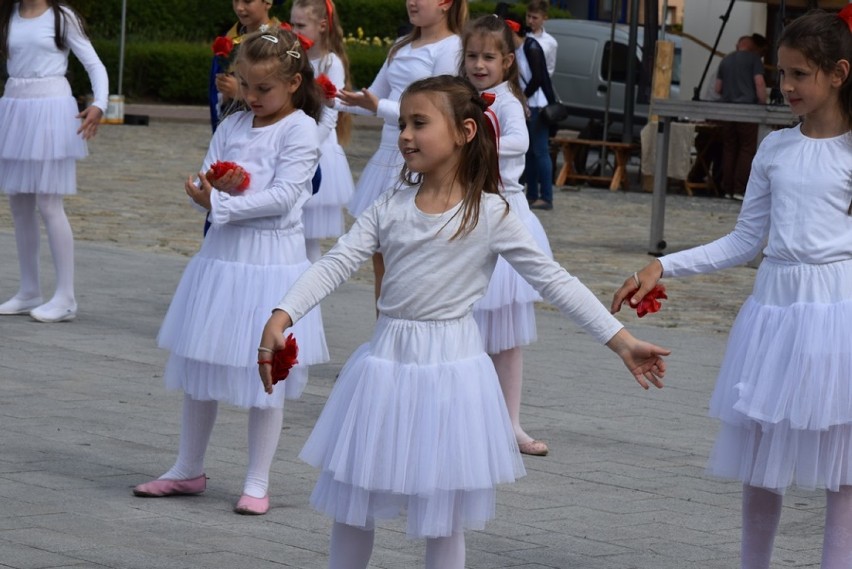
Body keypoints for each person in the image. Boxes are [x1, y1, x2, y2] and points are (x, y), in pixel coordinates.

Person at [259, 75, 669, 569]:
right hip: (384, 366)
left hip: (452, 373)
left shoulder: (490, 213)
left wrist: (621, 340)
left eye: (419, 123)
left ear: (464, 131)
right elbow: (335, 263)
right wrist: (283, 314)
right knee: (353, 501)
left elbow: (554, 281)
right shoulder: (389, 206)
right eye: (403, 123)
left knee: (444, 517)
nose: (405, 135)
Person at [613, 9, 852, 568]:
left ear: (839, 73)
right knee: (760, 459)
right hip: (775, 309)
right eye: (782, 73)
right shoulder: (774, 149)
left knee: (844, 467)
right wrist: (661, 267)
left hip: (839, 310)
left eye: (799, 75)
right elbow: (745, 240)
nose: (786, 86)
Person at [133, 27, 329, 516]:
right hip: (222, 261)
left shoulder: (301, 129)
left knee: (267, 373)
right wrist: (207, 189)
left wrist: (221, 203)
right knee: (203, 362)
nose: (252, 96)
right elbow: (209, 171)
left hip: (269, 264)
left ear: (293, 83)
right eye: (245, 85)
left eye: (264, 88)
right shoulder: (232, 123)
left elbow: (286, 199)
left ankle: (258, 480)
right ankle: (187, 467)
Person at [461, 15, 553, 456]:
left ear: (508, 61)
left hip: (503, 213)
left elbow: (518, 141)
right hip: (466, 215)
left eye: (488, 57)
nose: (479, 64)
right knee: (466, 328)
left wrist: (481, 138)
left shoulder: (507, 101)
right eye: (472, 56)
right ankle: (467, 419)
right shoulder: (461, 98)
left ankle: (510, 422)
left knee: (508, 336)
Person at [336, 0, 466, 301]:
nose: (411, 2)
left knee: (410, 255)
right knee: (379, 256)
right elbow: (373, 97)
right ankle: (384, 329)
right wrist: (331, 98)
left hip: (420, 159)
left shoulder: (451, 48)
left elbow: (438, 113)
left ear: (445, 3)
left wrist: (378, 106)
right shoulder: (400, 45)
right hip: (387, 156)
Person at [0, 0, 108, 323]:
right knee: (18, 203)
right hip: (15, 109)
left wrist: (99, 104)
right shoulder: (9, 15)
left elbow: (94, 64)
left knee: (48, 202)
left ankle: (66, 296)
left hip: (49, 111)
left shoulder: (62, 17)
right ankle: (29, 289)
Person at [289, 0, 354, 263]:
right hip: (291, 141)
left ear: (322, 26)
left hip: (317, 149)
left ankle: (308, 298)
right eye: (292, 24)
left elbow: (330, 114)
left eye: (301, 25)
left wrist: (306, 145)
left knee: (307, 236)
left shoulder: (330, 63)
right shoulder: (293, 59)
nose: (294, 31)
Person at [209, 0, 282, 132]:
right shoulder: (228, 41)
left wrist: (241, 93)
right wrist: (223, 93)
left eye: (247, 1)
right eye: (235, 0)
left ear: (268, 2)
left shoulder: (281, 41)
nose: (239, 8)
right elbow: (215, 93)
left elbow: (287, 94)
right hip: (234, 127)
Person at [509, 16, 557, 211]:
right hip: (528, 104)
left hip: (537, 104)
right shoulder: (517, 49)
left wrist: (523, 96)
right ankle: (531, 194)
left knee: (540, 151)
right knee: (528, 151)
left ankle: (546, 196)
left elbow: (538, 78)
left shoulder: (532, 47)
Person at [715, 34, 767, 201]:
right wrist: (763, 102)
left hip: (727, 110)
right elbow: (759, 82)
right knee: (746, 149)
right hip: (747, 110)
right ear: (752, 47)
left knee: (729, 148)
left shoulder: (726, 60)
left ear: (738, 45)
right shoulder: (754, 60)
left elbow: (717, 88)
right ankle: (739, 188)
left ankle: (727, 188)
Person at [525, 0, 556, 79]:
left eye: (535, 18)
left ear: (544, 18)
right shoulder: (520, 36)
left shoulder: (551, 42)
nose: (530, 21)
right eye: (528, 16)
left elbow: (549, 70)